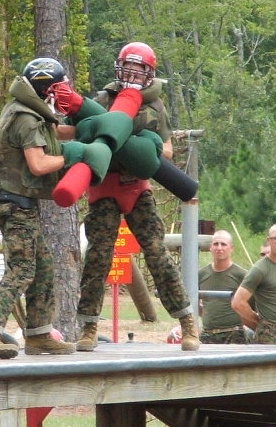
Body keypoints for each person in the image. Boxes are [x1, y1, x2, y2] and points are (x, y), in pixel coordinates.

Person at [64, 42, 200, 351]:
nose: (132, 72)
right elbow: (71, 131)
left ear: (149, 72)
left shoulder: (154, 107)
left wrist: (140, 142)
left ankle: (187, 323)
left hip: (137, 187)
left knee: (157, 254)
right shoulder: (101, 100)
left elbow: (165, 151)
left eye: (138, 68)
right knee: (98, 257)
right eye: (128, 66)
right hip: (104, 186)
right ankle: (87, 327)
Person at [0, 57, 100, 359]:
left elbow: (53, 134)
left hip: (17, 201)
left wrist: (85, 132)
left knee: (43, 267)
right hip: (12, 203)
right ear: (48, 90)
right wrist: (73, 156)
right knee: (23, 268)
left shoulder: (27, 110)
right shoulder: (26, 118)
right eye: (59, 89)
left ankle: (39, 334)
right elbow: (39, 163)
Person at [231, 223, 276, 344]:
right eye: (275, 238)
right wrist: (257, 320)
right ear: (269, 240)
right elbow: (237, 302)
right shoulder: (259, 269)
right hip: (268, 333)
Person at [198, 230, 249, 344]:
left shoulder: (242, 275)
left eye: (223, 244)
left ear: (231, 248)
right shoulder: (201, 274)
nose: (219, 248)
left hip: (234, 334)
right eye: (216, 244)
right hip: (207, 334)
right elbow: (192, 300)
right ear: (210, 247)